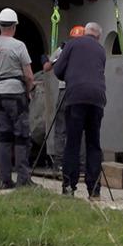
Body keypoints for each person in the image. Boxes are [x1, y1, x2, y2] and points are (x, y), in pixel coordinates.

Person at [0, 8, 35, 189]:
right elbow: (29, 76)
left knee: (3, 137)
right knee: (21, 136)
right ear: (14, 26)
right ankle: (23, 180)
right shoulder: (18, 46)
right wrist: (28, 91)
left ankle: (4, 181)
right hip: (16, 93)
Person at [52, 21, 108, 199]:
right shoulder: (101, 50)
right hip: (97, 99)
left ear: (85, 31)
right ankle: (94, 190)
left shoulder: (73, 44)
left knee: (73, 142)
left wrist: (69, 75)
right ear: (98, 36)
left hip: (75, 97)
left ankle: (69, 186)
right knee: (93, 144)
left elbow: (58, 69)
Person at [42, 24, 85, 176]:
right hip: (81, 91)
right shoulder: (90, 49)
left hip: (65, 91)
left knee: (61, 127)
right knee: (81, 127)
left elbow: (47, 67)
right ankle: (81, 163)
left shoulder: (63, 48)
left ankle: (59, 162)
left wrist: (50, 60)